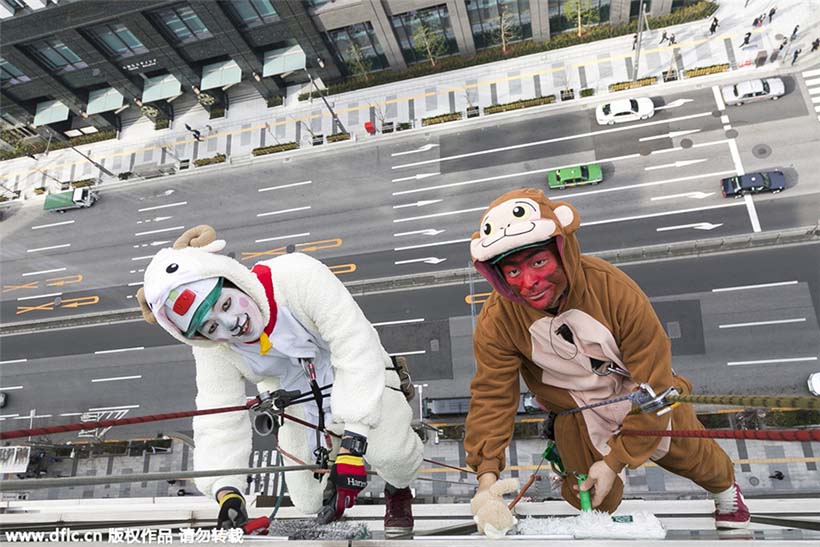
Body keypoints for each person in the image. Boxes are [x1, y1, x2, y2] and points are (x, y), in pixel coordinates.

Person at [463, 189, 750, 537]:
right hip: (575, 408)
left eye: (539, 263)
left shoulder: (613, 290)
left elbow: (655, 380)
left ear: (561, 251)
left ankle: (725, 492)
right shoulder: (498, 319)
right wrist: (486, 474)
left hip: (638, 391)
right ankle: (571, 471)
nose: (529, 283)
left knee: (693, 455)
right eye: (512, 271)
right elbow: (493, 396)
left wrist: (615, 460)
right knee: (592, 498)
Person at [137, 226, 422, 537]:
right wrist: (227, 491)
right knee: (307, 499)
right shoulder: (214, 349)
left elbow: (355, 346)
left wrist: (354, 444)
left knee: (393, 457)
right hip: (295, 401)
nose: (231, 324)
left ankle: (398, 488)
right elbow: (218, 411)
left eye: (227, 305)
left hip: (354, 372)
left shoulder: (298, 276)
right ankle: (334, 487)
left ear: (234, 281)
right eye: (211, 326)